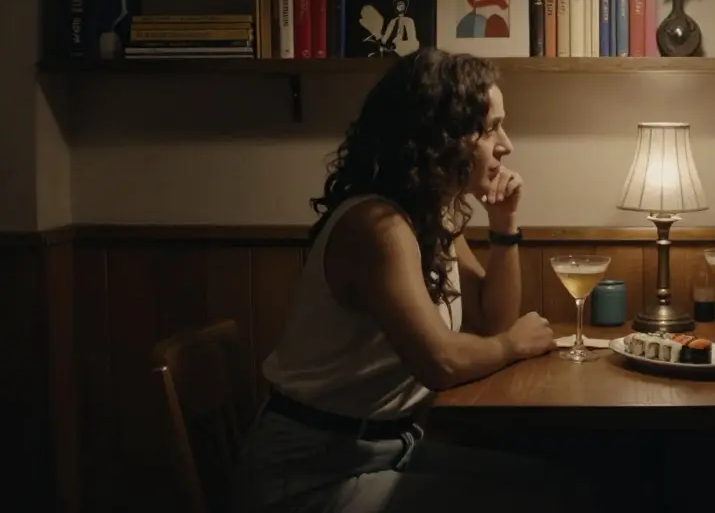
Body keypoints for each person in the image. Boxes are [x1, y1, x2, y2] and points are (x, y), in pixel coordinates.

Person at [228, 48, 584, 512]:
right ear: (441, 137)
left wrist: (503, 224)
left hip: (388, 449)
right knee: (546, 501)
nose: (506, 145)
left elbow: (490, 320)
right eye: (490, 128)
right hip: (310, 475)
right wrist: (514, 345)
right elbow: (441, 361)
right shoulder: (377, 226)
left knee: (563, 487)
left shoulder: (431, 215)